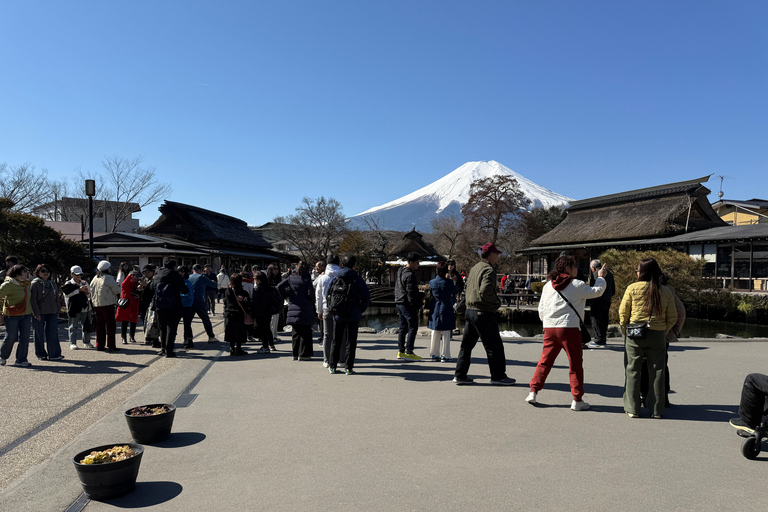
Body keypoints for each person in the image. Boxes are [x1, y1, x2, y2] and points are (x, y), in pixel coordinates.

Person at [527, 255, 607, 410]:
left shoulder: (548, 285)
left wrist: (546, 323)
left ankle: (533, 391)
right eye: (575, 265)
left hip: (550, 327)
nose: (577, 268)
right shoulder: (577, 284)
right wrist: (600, 277)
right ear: (568, 268)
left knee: (545, 361)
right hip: (569, 328)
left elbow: (541, 308)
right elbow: (597, 291)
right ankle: (577, 400)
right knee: (575, 364)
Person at [619, 257, 677, 419]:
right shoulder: (665, 291)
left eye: (637, 270)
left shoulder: (632, 288)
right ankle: (656, 409)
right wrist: (663, 330)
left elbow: (623, 313)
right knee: (657, 371)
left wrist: (625, 329)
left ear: (642, 272)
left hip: (635, 332)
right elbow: (673, 316)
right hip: (658, 333)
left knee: (632, 370)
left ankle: (632, 408)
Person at [453, 243, 516, 386]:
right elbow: (486, 290)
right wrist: (496, 302)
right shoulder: (489, 270)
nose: (498, 257)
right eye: (496, 254)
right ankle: (498, 376)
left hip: (470, 310)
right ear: (491, 255)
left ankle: (460, 374)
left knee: (466, 346)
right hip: (483, 311)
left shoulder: (475, 268)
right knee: (494, 346)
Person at [641, 273, 686, 408]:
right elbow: (680, 313)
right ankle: (663, 397)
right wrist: (672, 331)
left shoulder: (643, 290)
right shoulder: (670, 292)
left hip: (645, 333)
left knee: (644, 365)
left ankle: (644, 395)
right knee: (661, 366)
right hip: (662, 334)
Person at [328, 255, 370, 375]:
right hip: (353, 314)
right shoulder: (357, 278)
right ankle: (348, 367)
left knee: (336, 340)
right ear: (354, 265)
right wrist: (360, 309)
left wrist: (332, 308)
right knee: (351, 341)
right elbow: (366, 296)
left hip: (338, 313)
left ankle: (332, 366)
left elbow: (328, 294)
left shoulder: (336, 277)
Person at [278, 261, 315, 361]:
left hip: (293, 306)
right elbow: (310, 293)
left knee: (296, 332)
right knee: (305, 332)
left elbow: (279, 286)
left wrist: (286, 295)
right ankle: (304, 354)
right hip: (305, 307)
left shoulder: (291, 277)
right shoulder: (306, 278)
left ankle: (295, 354)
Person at [153, 259, 189, 358]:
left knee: (162, 328)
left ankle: (163, 349)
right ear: (174, 266)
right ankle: (169, 351)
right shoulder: (176, 276)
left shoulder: (158, 275)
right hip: (174, 305)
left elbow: (152, 288)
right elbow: (185, 290)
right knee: (171, 328)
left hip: (160, 305)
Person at [0, 265, 33, 366]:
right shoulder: (7, 285)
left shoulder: (27, 283)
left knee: (25, 338)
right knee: (11, 337)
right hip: (12, 315)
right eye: (24, 271)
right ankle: (2, 356)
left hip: (26, 314)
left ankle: (21, 360)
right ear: (17, 274)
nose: (27, 273)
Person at [30, 264, 63, 361]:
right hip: (39, 312)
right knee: (38, 333)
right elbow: (32, 300)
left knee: (53, 333)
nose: (46, 273)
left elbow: (56, 298)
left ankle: (54, 354)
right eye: (43, 271)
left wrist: (58, 310)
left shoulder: (52, 283)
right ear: (38, 272)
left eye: (48, 271)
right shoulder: (34, 284)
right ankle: (41, 354)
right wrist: (36, 313)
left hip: (52, 311)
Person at [395, 252, 424, 361]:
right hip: (406, 303)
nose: (418, 265)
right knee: (413, 326)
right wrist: (418, 301)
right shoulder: (410, 275)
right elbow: (411, 293)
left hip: (399, 301)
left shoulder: (401, 270)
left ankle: (401, 351)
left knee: (403, 326)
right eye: (417, 263)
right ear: (411, 262)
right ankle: (409, 351)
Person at [315, 254, 342, 367]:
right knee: (340, 334)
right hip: (340, 308)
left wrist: (319, 311)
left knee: (327, 335)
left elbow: (318, 296)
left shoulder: (322, 277)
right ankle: (341, 360)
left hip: (326, 307)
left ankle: (326, 360)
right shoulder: (341, 276)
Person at [90, 260, 121, 352]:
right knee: (110, 325)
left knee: (100, 325)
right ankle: (111, 345)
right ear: (108, 269)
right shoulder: (109, 278)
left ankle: (100, 345)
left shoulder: (95, 278)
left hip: (96, 304)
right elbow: (116, 290)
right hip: (108, 304)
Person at [428, 261, 456, 362]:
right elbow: (454, 292)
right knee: (446, 332)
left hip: (435, 306)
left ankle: (434, 354)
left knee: (435, 331)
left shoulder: (432, 282)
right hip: (446, 306)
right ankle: (445, 355)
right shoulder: (449, 282)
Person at [62, 265, 93, 349]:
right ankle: (73, 343)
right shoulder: (68, 284)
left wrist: (86, 292)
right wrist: (78, 290)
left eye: (80, 274)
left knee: (86, 325)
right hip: (74, 307)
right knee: (73, 326)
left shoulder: (84, 283)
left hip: (85, 307)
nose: (79, 276)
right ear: (72, 274)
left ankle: (87, 342)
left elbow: (89, 296)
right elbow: (67, 295)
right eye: (77, 274)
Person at [586, 259, 615, 348]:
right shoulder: (609, 273)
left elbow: (592, 288)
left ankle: (598, 339)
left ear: (593, 268)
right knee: (604, 319)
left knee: (596, 320)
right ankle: (603, 339)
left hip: (597, 300)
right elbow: (613, 289)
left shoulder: (595, 274)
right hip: (607, 299)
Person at [189, 264, 219, 343]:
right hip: (199, 300)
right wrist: (213, 282)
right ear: (200, 270)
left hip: (189, 301)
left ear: (192, 270)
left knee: (188, 321)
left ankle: (187, 339)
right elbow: (214, 285)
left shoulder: (189, 277)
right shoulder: (201, 277)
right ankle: (211, 336)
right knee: (205, 319)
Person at [224, 273, 251, 356]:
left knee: (231, 332)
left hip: (229, 313)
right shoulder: (243, 292)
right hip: (239, 314)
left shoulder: (227, 291)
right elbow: (248, 303)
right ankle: (238, 349)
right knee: (240, 332)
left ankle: (232, 348)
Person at [115, 267, 143, 344]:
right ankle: (124, 337)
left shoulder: (138, 284)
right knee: (125, 322)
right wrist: (129, 276)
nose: (136, 277)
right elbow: (123, 284)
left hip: (134, 305)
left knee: (134, 322)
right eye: (134, 276)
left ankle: (132, 336)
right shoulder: (127, 284)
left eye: (137, 276)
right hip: (126, 305)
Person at [251, 271, 275, 354]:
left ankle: (265, 347)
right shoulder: (269, 288)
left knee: (262, 329)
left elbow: (255, 302)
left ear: (258, 280)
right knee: (268, 328)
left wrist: (252, 311)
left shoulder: (257, 289)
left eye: (255, 278)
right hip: (268, 311)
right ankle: (271, 344)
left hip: (260, 311)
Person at [178, 266, 196, 349]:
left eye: (179, 272)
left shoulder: (187, 283)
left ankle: (189, 340)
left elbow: (189, 296)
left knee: (187, 324)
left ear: (183, 273)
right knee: (185, 324)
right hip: (182, 305)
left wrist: (178, 296)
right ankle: (186, 339)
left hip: (187, 306)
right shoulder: (181, 282)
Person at [266, 263, 282, 348]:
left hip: (277, 302)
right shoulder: (268, 279)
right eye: (274, 269)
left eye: (277, 269)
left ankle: (274, 335)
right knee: (272, 320)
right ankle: (271, 336)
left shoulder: (279, 278)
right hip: (270, 302)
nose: (276, 271)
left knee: (276, 320)